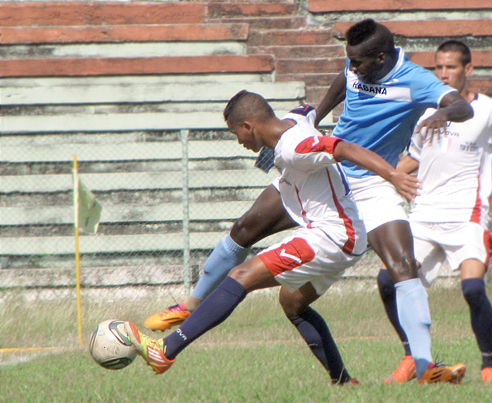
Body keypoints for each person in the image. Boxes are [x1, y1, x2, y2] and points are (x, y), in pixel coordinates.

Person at [145, 19, 473, 384]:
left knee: (402, 265)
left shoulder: (416, 80)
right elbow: (341, 84)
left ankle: (426, 365)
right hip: (324, 175)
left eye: (359, 63)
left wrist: (438, 116)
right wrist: (314, 114)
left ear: (380, 58)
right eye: (349, 61)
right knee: (252, 241)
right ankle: (190, 306)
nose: (352, 69)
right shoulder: (354, 68)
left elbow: (462, 107)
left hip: (371, 181)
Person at [395, 40, 492, 382]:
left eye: (451, 67)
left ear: (468, 69)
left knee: (473, 290)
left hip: (467, 218)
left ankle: (488, 365)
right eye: (438, 67)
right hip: (423, 217)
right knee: (389, 282)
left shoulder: (488, 110)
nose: (444, 73)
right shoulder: (425, 111)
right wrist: (378, 175)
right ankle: (416, 360)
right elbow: (413, 160)